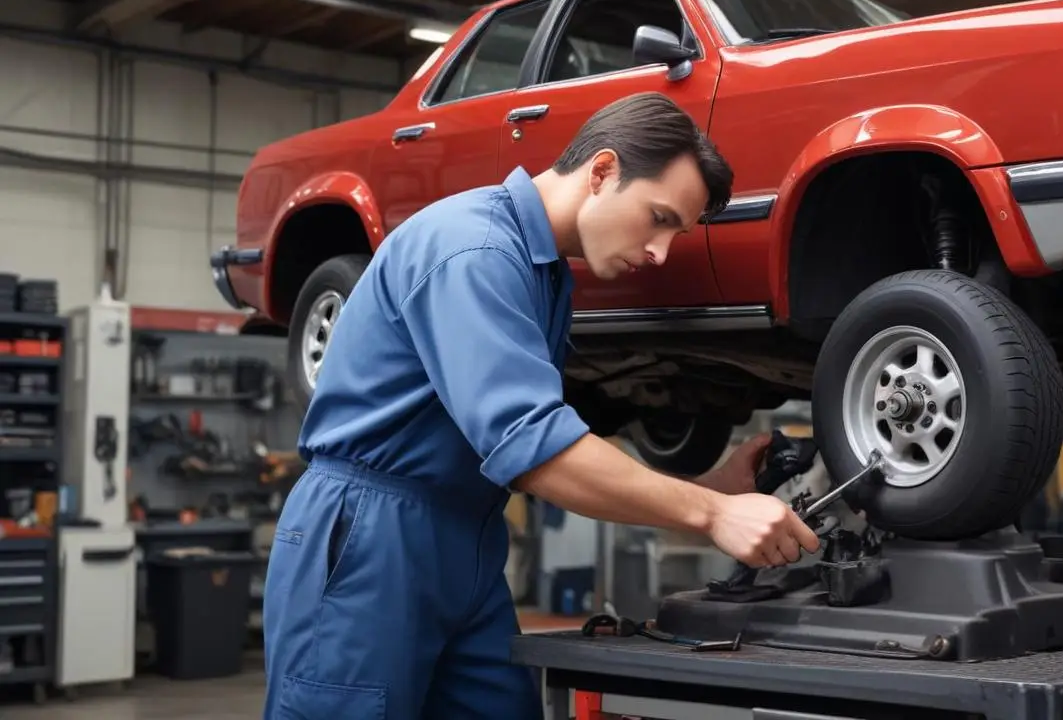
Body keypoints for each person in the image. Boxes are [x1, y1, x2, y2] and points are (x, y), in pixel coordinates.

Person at [261, 91, 821, 719]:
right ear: (602, 171)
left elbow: (542, 445)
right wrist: (712, 511)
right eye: (659, 218)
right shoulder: (474, 250)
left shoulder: (543, 273)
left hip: (463, 537)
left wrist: (702, 485)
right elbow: (537, 451)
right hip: (370, 540)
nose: (662, 251)